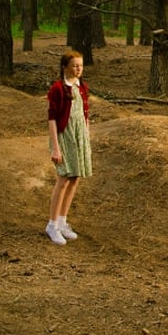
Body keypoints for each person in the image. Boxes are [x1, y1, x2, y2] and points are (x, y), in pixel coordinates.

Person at [45, 50, 92, 245]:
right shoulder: (58, 88)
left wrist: (86, 139)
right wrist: (56, 148)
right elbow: (52, 119)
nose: (78, 69)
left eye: (80, 65)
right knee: (63, 179)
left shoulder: (82, 86)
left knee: (75, 178)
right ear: (65, 67)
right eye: (74, 65)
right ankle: (52, 225)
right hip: (65, 135)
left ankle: (63, 221)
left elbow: (85, 113)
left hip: (79, 136)